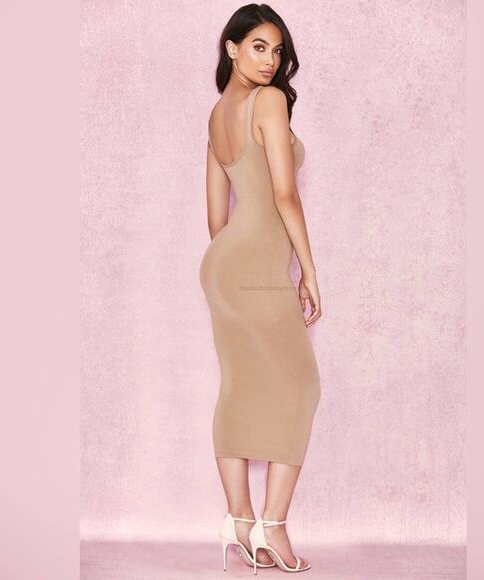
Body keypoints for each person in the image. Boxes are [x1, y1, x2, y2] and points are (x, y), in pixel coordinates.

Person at [199, 4, 321, 573]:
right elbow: (284, 194)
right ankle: (272, 528)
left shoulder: (216, 116)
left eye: (277, 51)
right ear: (231, 48)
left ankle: (240, 522)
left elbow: (215, 220)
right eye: (258, 47)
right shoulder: (268, 102)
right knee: (300, 386)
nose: (271, 61)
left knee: (240, 387)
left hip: (224, 266)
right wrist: (307, 271)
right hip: (257, 267)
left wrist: (233, 270)